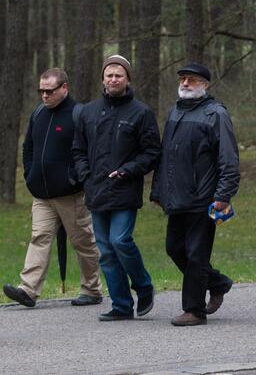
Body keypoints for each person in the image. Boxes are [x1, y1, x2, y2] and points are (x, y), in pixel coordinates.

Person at [3, 69, 102, 308]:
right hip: (42, 195)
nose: (44, 96)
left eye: (50, 91)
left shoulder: (79, 115)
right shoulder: (38, 113)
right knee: (39, 238)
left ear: (64, 88)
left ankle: (92, 289)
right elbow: (28, 147)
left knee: (83, 242)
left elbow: (90, 152)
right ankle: (28, 289)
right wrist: (30, 175)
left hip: (70, 194)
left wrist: (75, 179)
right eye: (41, 91)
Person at [150, 62, 240, 326]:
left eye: (191, 80)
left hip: (204, 197)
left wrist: (223, 194)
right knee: (174, 249)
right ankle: (218, 282)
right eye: (183, 79)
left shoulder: (216, 114)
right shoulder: (175, 111)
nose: (185, 84)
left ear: (205, 84)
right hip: (176, 197)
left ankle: (194, 310)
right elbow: (165, 157)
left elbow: (229, 159)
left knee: (196, 254)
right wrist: (158, 191)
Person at [73, 55, 160, 322]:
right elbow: (78, 150)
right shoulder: (87, 112)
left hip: (124, 189)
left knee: (120, 240)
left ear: (127, 79)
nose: (113, 79)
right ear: (103, 78)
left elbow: (152, 152)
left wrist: (127, 170)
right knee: (106, 251)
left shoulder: (140, 112)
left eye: (118, 75)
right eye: (109, 75)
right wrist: (85, 176)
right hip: (96, 190)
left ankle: (143, 286)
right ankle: (121, 306)